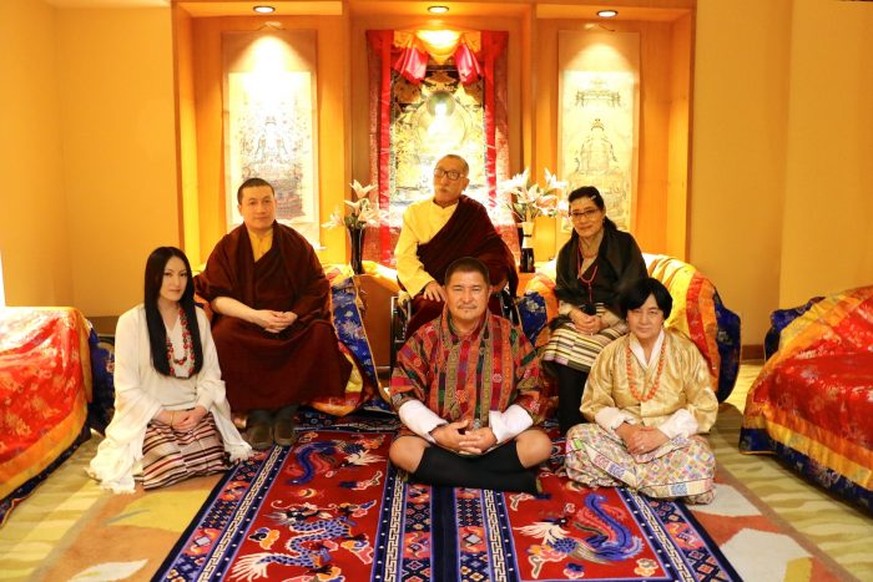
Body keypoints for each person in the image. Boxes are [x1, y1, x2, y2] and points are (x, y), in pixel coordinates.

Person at [195, 177, 352, 450]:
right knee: (223, 337)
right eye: (252, 203)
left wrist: (293, 315)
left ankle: (286, 411)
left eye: (267, 201)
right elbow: (216, 296)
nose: (261, 209)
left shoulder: (294, 242)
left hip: (289, 322)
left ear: (276, 204)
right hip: (245, 321)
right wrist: (256, 317)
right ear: (240, 208)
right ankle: (257, 414)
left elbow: (315, 286)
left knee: (319, 334)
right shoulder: (228, 247)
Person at [88, 247, 252, 493]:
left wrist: (198, 411)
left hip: (193, 414)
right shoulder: (130, 322)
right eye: (168, 274)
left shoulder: (197, 317)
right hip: (151, 416)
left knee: (213, 453)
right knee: (167, 458)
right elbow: (126, 388)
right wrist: (168, 417)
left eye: (183, 275)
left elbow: (211, 374)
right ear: (153, 277)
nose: (177, 282)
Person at [388, 257, 552, 493]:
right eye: (458, 289)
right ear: (445, 292)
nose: (466, 299)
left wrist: (496, 432)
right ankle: (507, 481)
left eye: (475, 290)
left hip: (495, 438)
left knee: (539, 446)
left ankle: (446, 473)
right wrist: (439, 431)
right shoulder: (425, 337)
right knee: (402, 450)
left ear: (488, 293)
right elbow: (402, 394)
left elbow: (533, 391)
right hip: (440, 440)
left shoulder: (511, 336)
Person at [564, 277, 719, 504]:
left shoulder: (685, 352)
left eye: (653, 312)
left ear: (663, 315)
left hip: (669, 440)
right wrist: (626, 431)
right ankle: (662, 484)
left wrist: (661, 434)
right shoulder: (611, 353)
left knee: (699, 455)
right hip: (625, 440)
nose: (644, 320)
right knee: (577, 438)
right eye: (636, 312)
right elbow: (593, 403)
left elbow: (704, 406)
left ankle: (626, 477)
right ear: (626, 315)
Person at [540, 186, 647, 434]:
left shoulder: (623, 244)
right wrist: (577, 316)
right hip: (579, 317)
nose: (583, 219)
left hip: (618, 314)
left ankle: (584, 422)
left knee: (588, 347)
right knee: (561, 341)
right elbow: (563, 295)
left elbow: (634, 288)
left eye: (589, 211)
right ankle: (571, 425)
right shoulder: (568, 251)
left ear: (602, 212)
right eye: (576, 214)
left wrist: (602, 322)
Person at [394, 154, 518, 337]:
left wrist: (470, 283)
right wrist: (427, 283)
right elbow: (405, 257)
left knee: (487, 306)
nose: (444, 180)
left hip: (468, 286)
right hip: (432, 285)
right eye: (439, 172)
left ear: (465, 183)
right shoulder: (415, 212)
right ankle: (427, 363)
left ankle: (485, 362)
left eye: (453, 174)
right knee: (433, 308)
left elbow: (493, 252)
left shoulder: (474, 212)